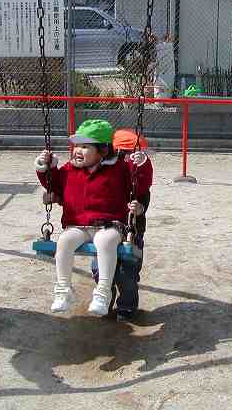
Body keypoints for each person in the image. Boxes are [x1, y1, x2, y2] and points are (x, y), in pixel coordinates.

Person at [34, 119, 145, 316]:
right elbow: (53, 183)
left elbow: (140, 182)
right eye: (77, 146)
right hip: (78, 226)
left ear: (103, 151)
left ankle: (103, 293)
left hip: (110, 225)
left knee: (105, 241)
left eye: (85, 147)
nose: (78, 150)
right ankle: (63, 290)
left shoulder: (118, 169)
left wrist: (141, 165)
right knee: (64, 240)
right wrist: (45, 167)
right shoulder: (70, 170)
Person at [91, 128, 153, 322]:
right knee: (99, 269)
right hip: (106, 231)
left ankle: (127, 306)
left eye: (129, 156)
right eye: (121, 155)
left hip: (131, 232)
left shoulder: (138, 181)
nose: (125, 160)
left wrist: (139, 209)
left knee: (127, 274)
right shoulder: (105, 177)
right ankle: (105, 300)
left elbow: (143, 195)